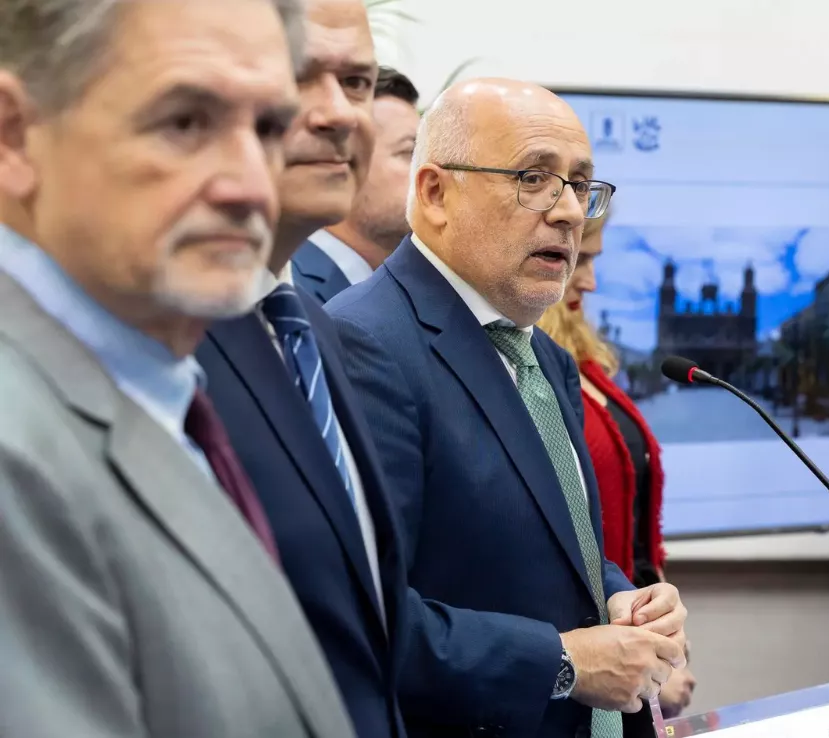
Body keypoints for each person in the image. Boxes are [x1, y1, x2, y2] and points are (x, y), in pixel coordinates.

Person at [0, 0, 355, 736]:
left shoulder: (154, 385)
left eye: (265, 129)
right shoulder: (16, 454)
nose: (251, 186)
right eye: (185, 122)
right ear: (13, 136)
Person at [327, 77, 689, 738]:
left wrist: (621, 596)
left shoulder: (544, 358)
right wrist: (565, 663)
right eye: (533, 178)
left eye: (581, 185)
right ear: (434, 194)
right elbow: (361, 621)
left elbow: (554, 546)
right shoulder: (363, 344)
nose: (571, 212)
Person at [194, 2, 408, 737]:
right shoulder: (163, 335)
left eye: (357, 81)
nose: (339, 113)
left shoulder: (316, 328)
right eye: (298, 75)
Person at [537, 213, 698, 718]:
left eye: (591, 259)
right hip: (588, 657)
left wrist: (656, 628)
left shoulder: (577, 361)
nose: (589, 279)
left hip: (631, 629)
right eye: (578, 259)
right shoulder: (528, 374)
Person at [293, 66, 420, 303]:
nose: (430, 174)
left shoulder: (407, 297)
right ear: (343, 160)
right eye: (411, 153)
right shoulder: (290, 297)